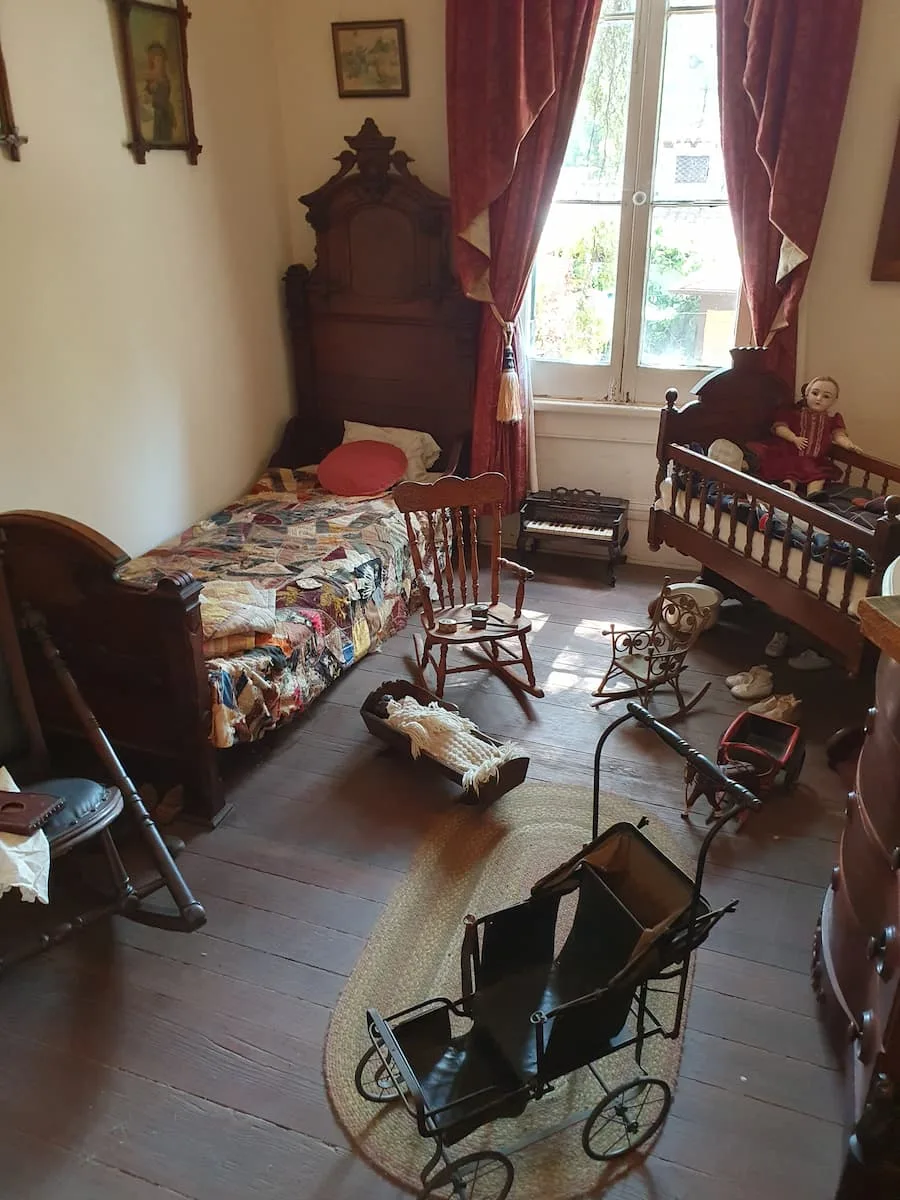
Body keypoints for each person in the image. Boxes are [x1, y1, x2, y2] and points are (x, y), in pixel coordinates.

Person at [750, 376, 862, 496]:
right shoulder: (794, 414)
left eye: (826, 396)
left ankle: (814, 494)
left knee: (819, 476)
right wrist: (793, 438)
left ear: (833, 401)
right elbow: (780, 428)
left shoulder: (832, 420)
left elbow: (839, 435)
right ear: (807, 395)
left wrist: (849, 445)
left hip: (815, 461)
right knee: (791, 475)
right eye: (815, 393)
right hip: (793, 457)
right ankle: (787, 488)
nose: (819, 398)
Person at [143, 41, 176, 143]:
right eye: (154, 60)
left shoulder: (164, 78)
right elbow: (147, 94)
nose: (157, 63)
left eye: (159, 60)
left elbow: (164, 96)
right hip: (158, 113)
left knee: (164, 135)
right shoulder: (153, 78)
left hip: (164, 113)